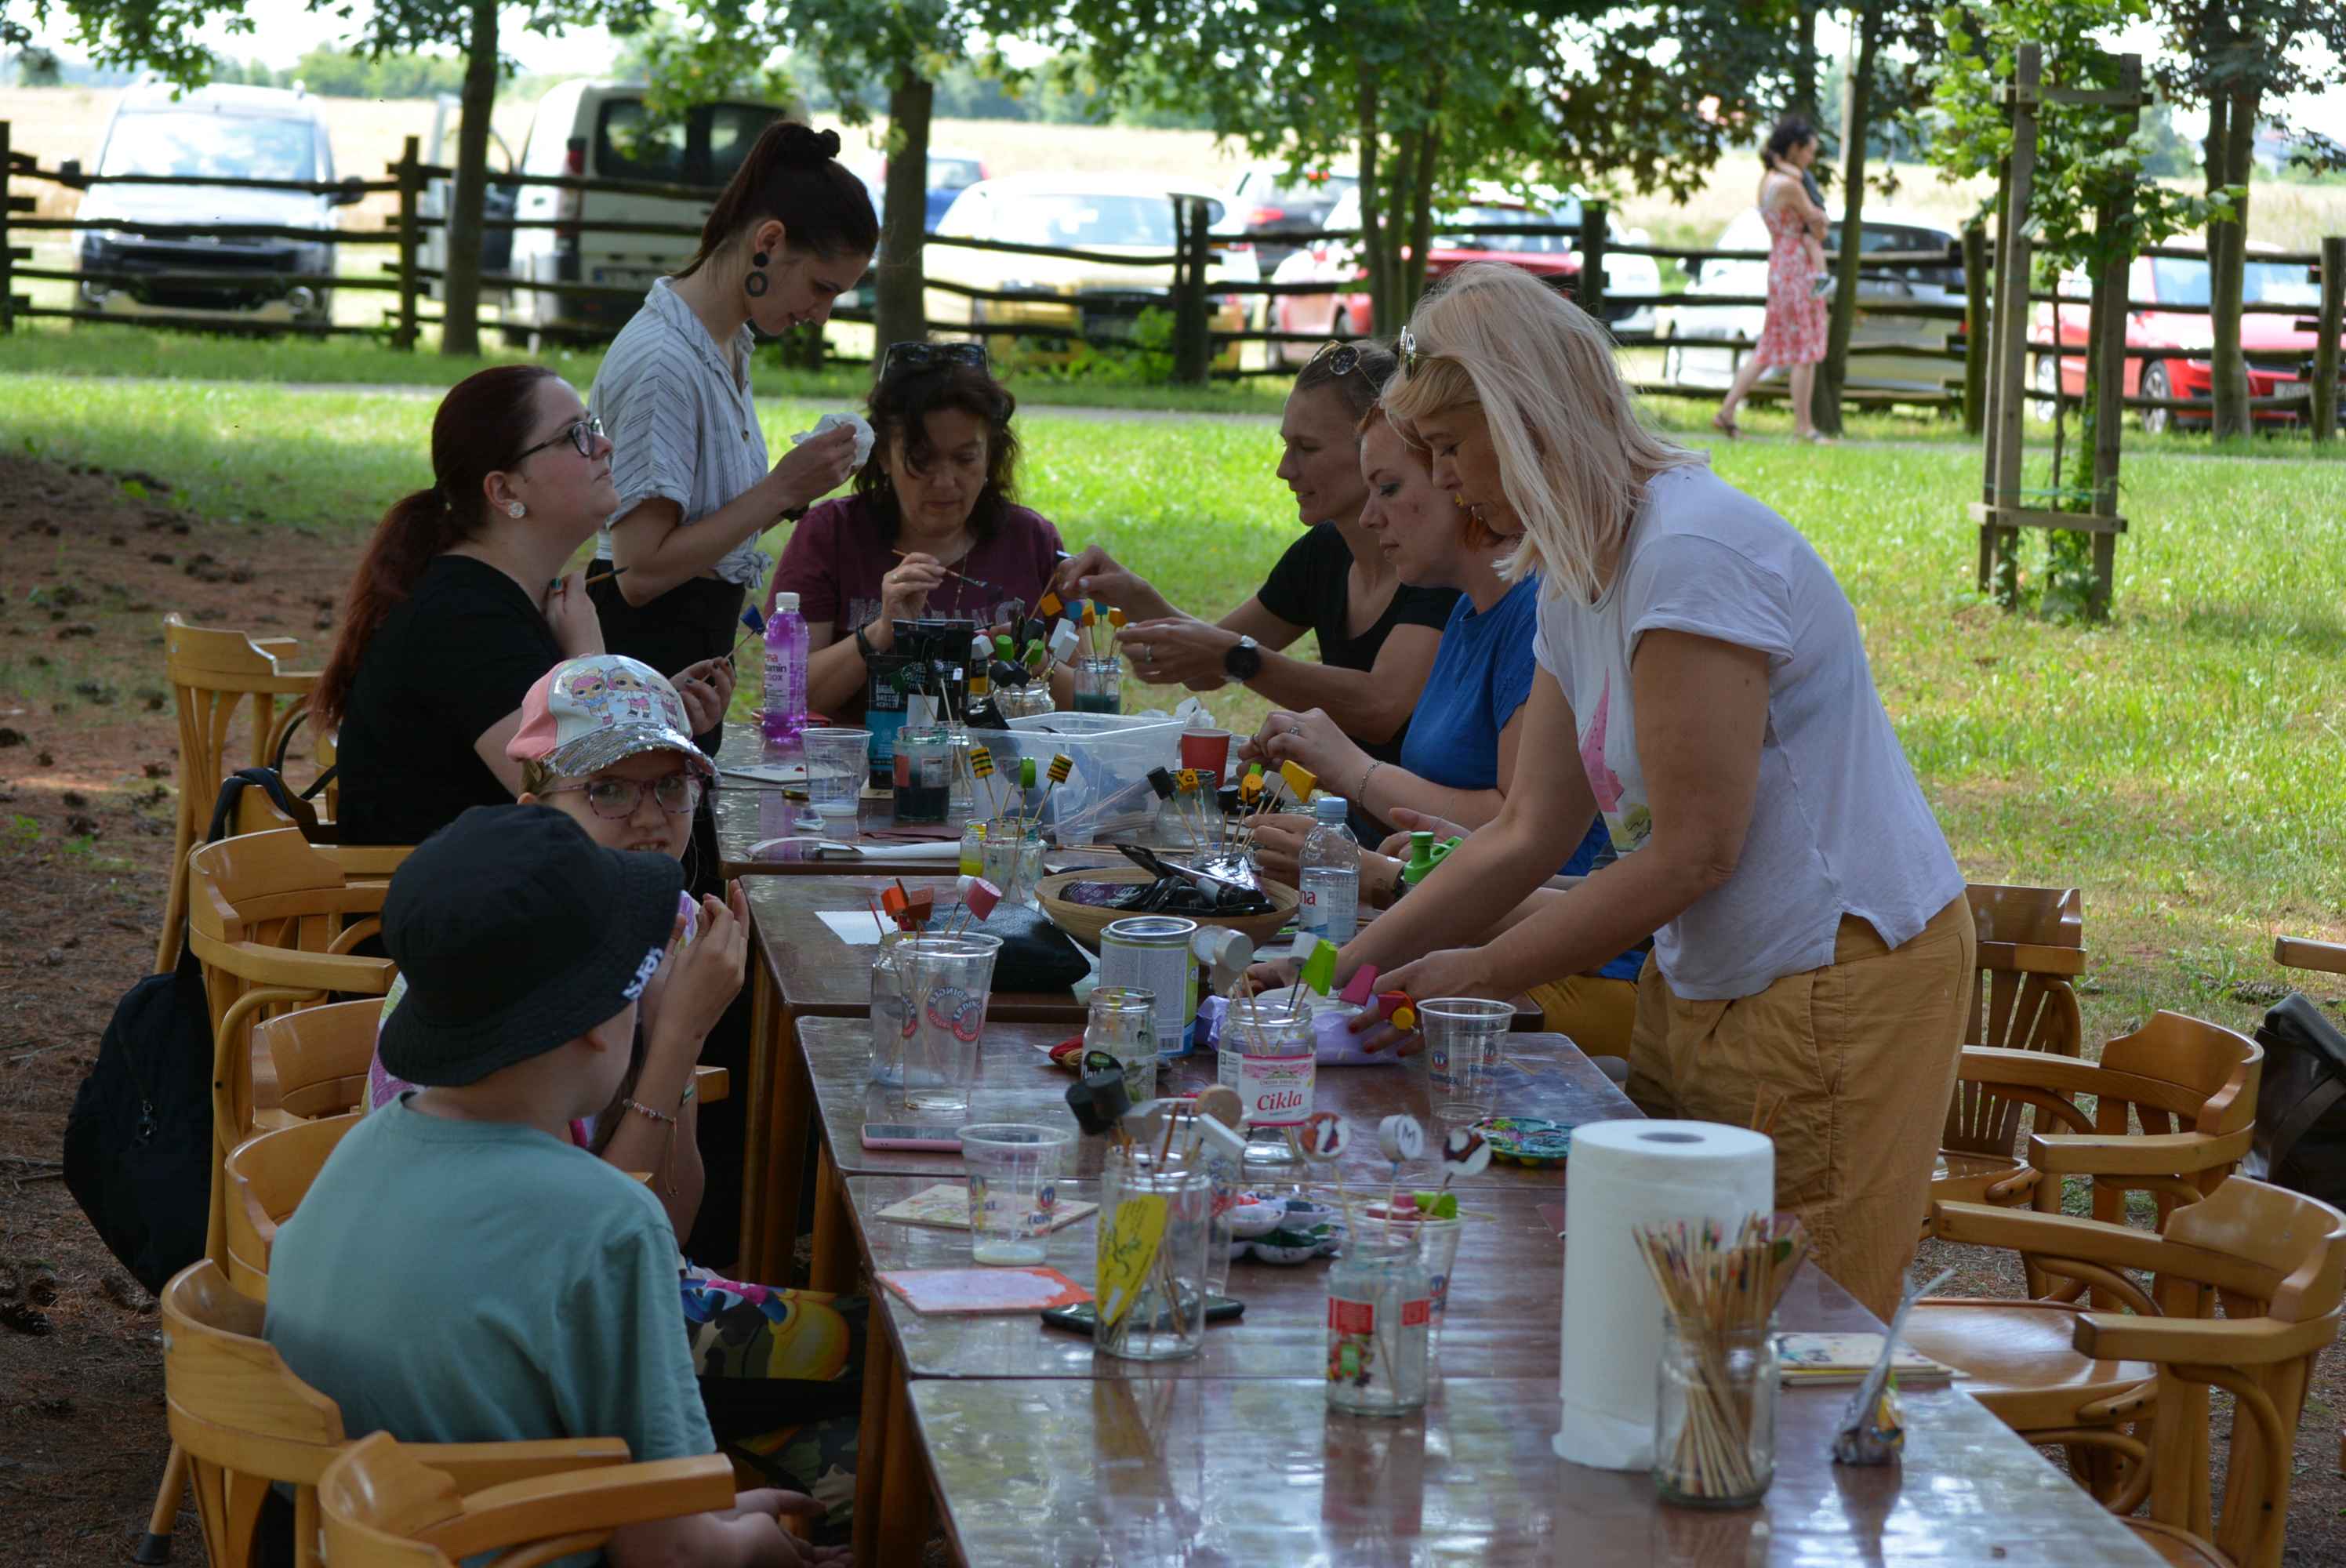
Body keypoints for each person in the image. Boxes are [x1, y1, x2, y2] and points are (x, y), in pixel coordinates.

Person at [1337, 263, 1973, 1319]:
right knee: (1672, 1309)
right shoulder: (1580, 572)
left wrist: (1486, 971)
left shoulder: (1690, 554)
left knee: (1787, 1327)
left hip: (1832, 979)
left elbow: (1693, 851)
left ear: (1526, 420)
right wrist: (1348, 977)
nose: (1444, 482)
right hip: (1714, 981)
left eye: (1453, 449)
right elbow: (1530, 831)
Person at [358, 656, 866, 1536]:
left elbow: (662, 1228)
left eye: (671, 787)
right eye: (607, 791)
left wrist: (679, 1039)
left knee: (882, 1383)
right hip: (530, 1346)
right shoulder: (509, 972)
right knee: (881, 1404)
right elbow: (587, 1255)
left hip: (622, 1302)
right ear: (537, 814)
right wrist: (675, 1042)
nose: (648, 820)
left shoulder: (656, 925)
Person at [265, 805, 845, 1568]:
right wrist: (753, 1548)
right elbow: (666, 1551)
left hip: (365, 1539)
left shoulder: (358, 1151)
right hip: (511, 1547)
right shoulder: (608, 1221)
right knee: (858, 1457)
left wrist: (711, 1515)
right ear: (596, 1026)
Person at [1247, 403, 1646, 1055]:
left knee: (1328, 1049)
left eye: (1391, 487)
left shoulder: (1539, 608)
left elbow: (1520, 827)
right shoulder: (1469, 611)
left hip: (1563, 971)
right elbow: (1499, 843)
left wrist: (1363, 804)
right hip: (1470, 935)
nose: (1370, 517)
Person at [314, 365, 732, 849]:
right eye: (574, 436)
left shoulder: (495, 599)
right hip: (450, 917)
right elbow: (584, 814)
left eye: (592, 427)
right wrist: (589, 662)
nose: (604, 445)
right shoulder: (467, 619)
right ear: (505, 491)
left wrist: (655, 717)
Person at [590, 120, 877, 723]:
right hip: (642, 673)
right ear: (768, 241)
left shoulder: (724, 344)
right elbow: (637, 573)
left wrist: (793, 488)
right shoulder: (665, 362)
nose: (822, 314)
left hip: (688, 674)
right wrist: (783, 488)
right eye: (821, 287)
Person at [1052, 343, 1454, 768]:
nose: (1285, 468)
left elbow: (1380, 709)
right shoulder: (1324, 550)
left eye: (1308, 448)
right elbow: (1206, 669)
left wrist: (1238, 657)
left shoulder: (1436, 563)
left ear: (1375, 444)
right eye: (1286, 445)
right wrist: (1133, 594)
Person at [767, 343, 1069, 723]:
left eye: (965, 459)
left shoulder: (1032, 541)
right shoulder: (831, 534)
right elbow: (786, 699)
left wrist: (1031, 659)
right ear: (882, 457)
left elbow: (1092, 705)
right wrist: (882, 632)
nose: (944, 482)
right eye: (921, 460)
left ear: (991, 456)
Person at [1714, 116, 1832, 442]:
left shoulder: (1767, 181)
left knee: (1768, 346)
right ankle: (1803, 428)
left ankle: (1726, 410)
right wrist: (1819, 218)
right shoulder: (1792, 186)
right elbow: (1819, 226)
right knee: (1805, 350)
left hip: (1779, 264)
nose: (1810, 158)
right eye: (1808, 151)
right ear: (1795, 149)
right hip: (1798, 267)